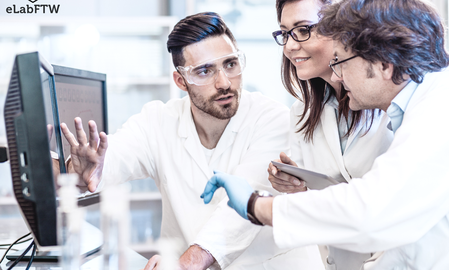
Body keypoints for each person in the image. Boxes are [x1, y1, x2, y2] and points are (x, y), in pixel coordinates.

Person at [202, 0, 449, 269]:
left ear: (384, 64)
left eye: (342, 62)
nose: (336, 76)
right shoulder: (418, 112)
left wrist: (256, 206)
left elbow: (371, 213)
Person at [61, 12, 324, 270]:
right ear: (181, 81)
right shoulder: (158, 121)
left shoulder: (272, 119)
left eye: (230, 64)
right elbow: (113, 158)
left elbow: (241, 213)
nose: (224, 83)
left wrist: (184, 265)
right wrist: (81, 171)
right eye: (205, 71)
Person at [268, 0, 393, 269]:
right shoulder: (302, 111)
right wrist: (297, 185)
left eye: (303, 30)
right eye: (285, 33)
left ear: (341, 27)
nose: (290, 46)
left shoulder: (386, 96)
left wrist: (258, 208)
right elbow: (316, 207)